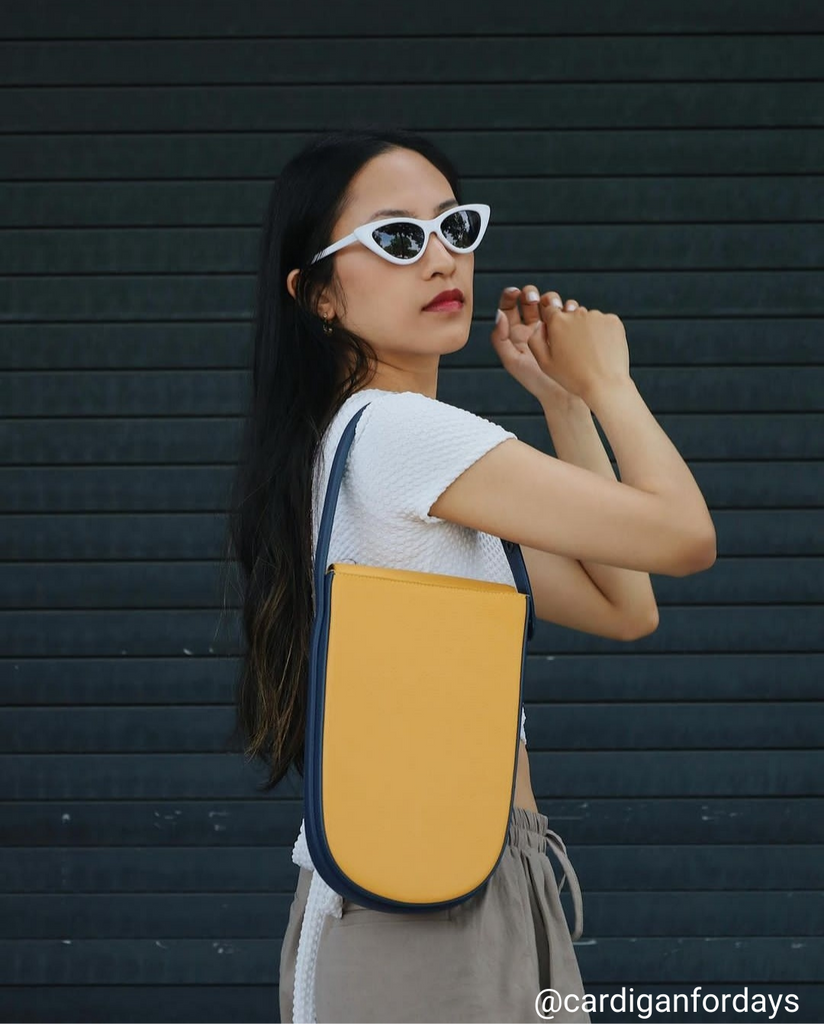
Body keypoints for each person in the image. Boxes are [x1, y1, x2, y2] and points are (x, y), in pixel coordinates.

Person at [226, 127, 717, 1024]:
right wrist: (610, 383)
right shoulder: (402, 433)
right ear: (319, 295)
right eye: (398, 238)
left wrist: (562, 402)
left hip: (472, 873)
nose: (441, 258)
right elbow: (684, 537)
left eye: (455, 227)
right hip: (427, 903)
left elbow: (625, 603)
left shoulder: (386, 454)